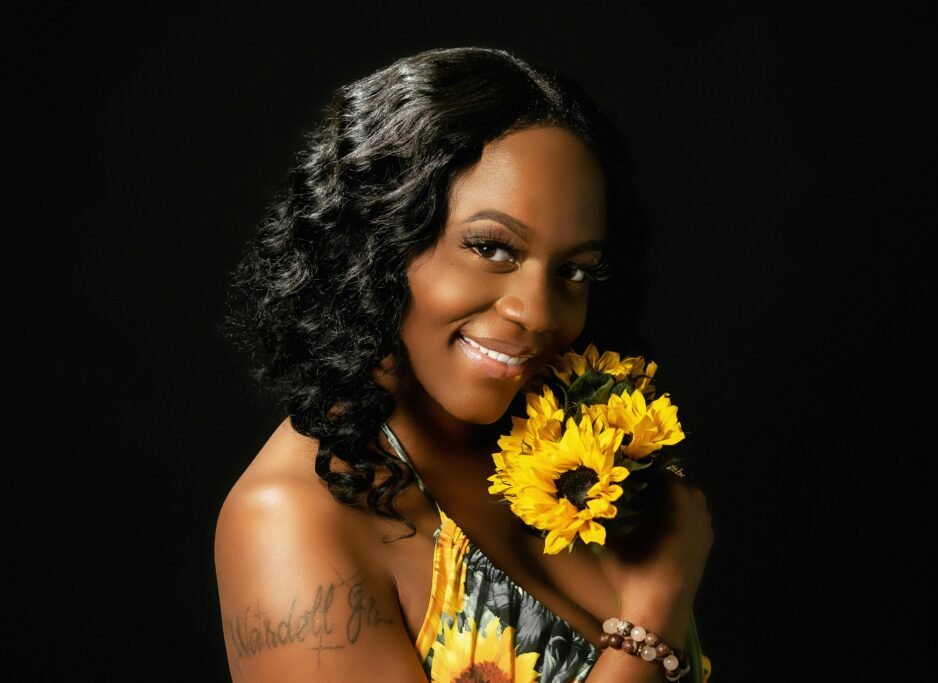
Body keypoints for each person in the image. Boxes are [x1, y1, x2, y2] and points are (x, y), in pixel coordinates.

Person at [215, 46, 714, 682]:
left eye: (573, 270)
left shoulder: (570, 454)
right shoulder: (288, 519)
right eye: (491, 248)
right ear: (379, 240)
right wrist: (656, 608)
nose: (537, 312)